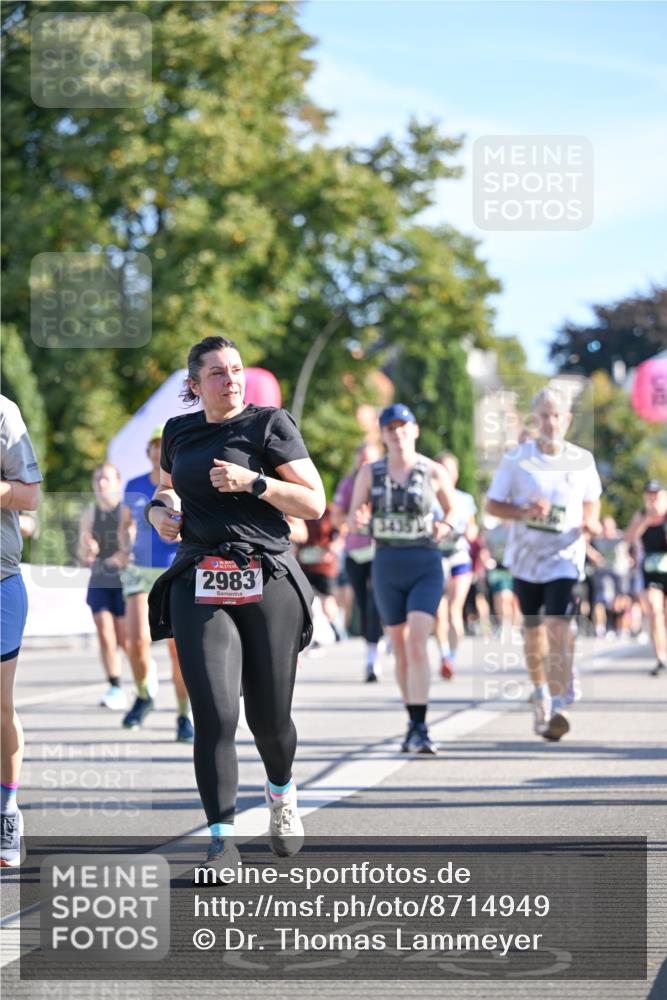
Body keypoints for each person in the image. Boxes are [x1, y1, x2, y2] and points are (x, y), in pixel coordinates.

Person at [145, 336, 324, 867]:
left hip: (265, 575)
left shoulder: (270, 425)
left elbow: (313, 502)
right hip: (201, 576)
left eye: (237, 369)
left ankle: (282, 792)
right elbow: (167, 491)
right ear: (194, 384)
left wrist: (255, 483)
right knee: (216, 716)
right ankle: (222, 840)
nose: (232, 379)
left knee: (269, 720)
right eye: (218, 373)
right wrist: (160, 513)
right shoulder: (178, 431)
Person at [486, 385, 602, 742]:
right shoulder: (517, 459)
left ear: (566, 420)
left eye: (556, 416)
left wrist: (589, 523)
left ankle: (558, 702)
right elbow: (493, 506)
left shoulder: (582, 460)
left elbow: (591, 503)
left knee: (558, 625)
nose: (550, 422)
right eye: (544, 416)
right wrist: (523, 511)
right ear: (535, 420)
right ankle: (541, 691)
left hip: (564, 558)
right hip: (525, 559)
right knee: (534, 631)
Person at [347, 404, 456, 754]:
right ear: (383, 434)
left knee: (417, 642)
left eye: (403, 426)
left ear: (415, 430)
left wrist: (446, 524)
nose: (398, 433)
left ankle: (422, 726)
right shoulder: (370, 473)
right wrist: (360, 519)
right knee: (400, 647)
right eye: (390, 428)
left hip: (424, 561)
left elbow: (455, 510)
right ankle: (412, 720)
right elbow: (352, 519)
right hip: (387, 563)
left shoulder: (433, 471)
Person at [119, 428, 193, 740]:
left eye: (163, 446)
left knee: (179, 651)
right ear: (149, 452)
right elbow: (124, 525)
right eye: (154, 446)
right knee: (135, 641)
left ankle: (183, 715)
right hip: (139, 570)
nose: (157, 451)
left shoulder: (187, 485)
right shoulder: (134, 485)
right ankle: (144, 695)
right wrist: (123, 548)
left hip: (175, 569)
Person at [1, 395, 43, 867]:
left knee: (1, 705)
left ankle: (7, 807)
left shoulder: (3, 412)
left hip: (0, 580)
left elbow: (29, 495)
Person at [78, 463, 130, 709]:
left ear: (117, 483)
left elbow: (129, 551)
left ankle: (144, 675)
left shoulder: (125, 512)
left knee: (126, 641)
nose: (101, 483)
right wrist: (89, 552)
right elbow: (82, 553)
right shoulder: (90, 514)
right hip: (99, 580)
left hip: (124, 581)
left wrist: (114, 558)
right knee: (106, 635)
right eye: (98, 479)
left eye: (106, 478)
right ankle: (115, 687)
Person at [332, 443, 384, 681]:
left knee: (376, 601)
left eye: (370, 460)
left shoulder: (386, 482)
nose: (365, 464)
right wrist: (352, 518)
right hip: (355, 553)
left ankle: (373, 658)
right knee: (363, 605)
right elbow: (336, 517)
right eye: (362, 459)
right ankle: (373, 644)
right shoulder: (347, 485)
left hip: (380, 551)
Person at [434, 451, 478, 679]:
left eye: (449, 470)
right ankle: (443, 656)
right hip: (436, 558)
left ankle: (452, 655)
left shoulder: (465, 499)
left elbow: (473, 528)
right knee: (439, 612)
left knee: (454, 610)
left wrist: (465, 530)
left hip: (459, 556)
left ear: (456, 474)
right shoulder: (429, 498)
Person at [625, 480, 667, 676]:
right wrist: (646, 521)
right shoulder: (641, 515)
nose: (653, 499)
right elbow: (628, 538)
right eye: (649, 495)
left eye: (656, 494)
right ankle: (660, 657)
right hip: (650, 569)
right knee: (655, 611)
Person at [296, 503, 343, 641]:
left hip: (324, 566)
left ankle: (335, 626)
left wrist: (333, 547)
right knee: (306, 600)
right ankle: (311, 634)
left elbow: (341, 531)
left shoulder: (330, 511)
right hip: (304, 564)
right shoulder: (299, 508)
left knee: (327, 602)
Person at [587, 516, 632, 638]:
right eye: (605, 527)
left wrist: (632, 558)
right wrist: (594, 555)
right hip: (604, 572)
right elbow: (583, 542)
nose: (607, 530)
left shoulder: (620, 536)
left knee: (621, 600)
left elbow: (633, 540)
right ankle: (600, 628)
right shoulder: (598, 539)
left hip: (621, 571)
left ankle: (622, 628)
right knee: (601, 599)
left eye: (609, 527)